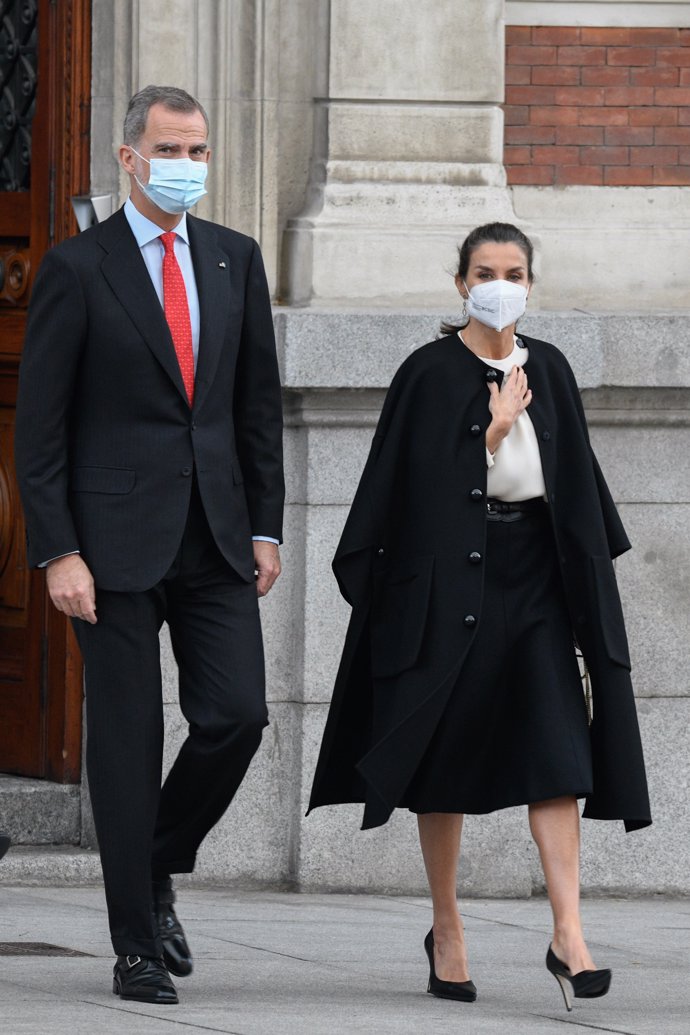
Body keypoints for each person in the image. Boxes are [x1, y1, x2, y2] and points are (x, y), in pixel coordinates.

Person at [308, 223, 651, 1011]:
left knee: (560, 747)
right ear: (461, 282)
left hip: (535, 581)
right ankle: (447, 925)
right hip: (451, 583)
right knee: (445, 760)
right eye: (486, 271)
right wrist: (488, 434)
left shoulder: (551, 369)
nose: (501, 283)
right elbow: (403, 496)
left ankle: (569, 932)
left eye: (515, 271)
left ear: (533, 282)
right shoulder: (427, 373)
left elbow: (575, 488)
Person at [15, 85, 284, 1005]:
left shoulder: (234, 260)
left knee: (237, 715)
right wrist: (58, 551)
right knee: (127, 740)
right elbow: (38, 429)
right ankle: (134, 941)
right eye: (171, 149)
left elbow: (254, 408)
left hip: (214, 535)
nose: (188, 167)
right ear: (129, 157)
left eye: (201, 151)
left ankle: (157, 858)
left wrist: (263, 525)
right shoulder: (77, 268)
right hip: (110, 545)